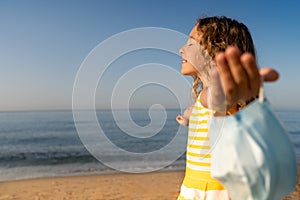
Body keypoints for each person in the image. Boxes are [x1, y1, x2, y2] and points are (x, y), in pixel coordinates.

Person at [177, 16, 279, 199]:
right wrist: (187, 118)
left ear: (215, 51)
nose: (181, 49)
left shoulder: (216, 94)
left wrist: (231, 87)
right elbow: (199, 110)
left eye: (191, 43)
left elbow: (219, 98)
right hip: (192, 188)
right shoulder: (203, 97)